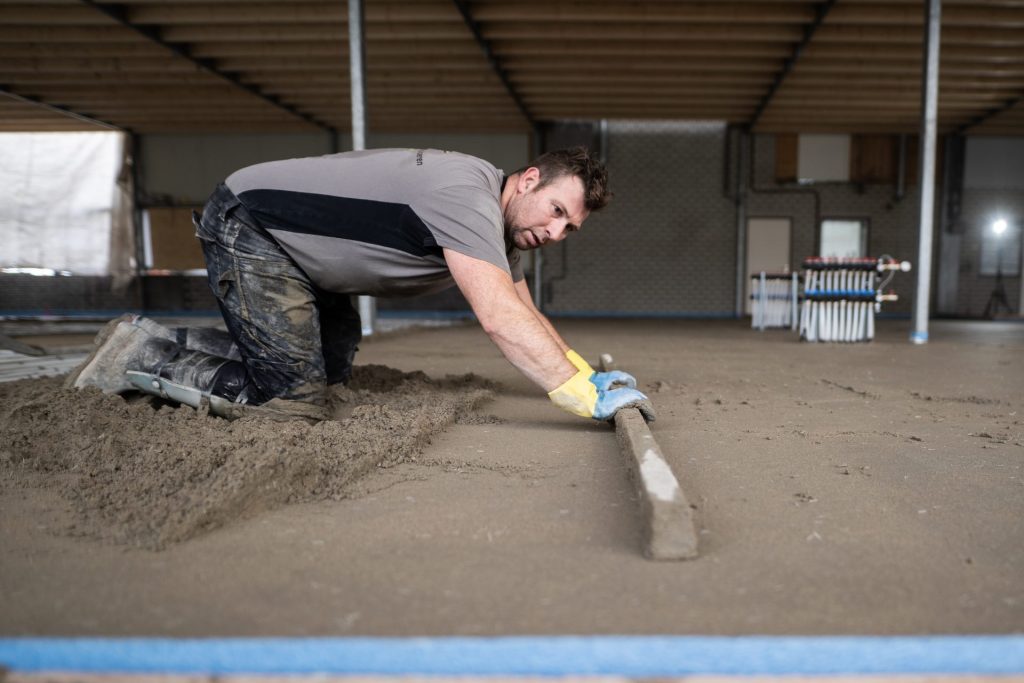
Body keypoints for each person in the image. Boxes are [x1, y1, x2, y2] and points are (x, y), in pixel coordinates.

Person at [67, 146, 654, 423]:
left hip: (302, 254)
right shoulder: (466, 198)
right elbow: (499, 317)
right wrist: (581, 399)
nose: (556, 232)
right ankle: (140, 356)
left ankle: (153, 338)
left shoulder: (498, 227)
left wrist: (582, 371)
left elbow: (524, 308)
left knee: (331, 363)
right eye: (555, 211)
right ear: (527, 181)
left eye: (568, 227)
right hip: (254, 227)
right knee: (293, 398)